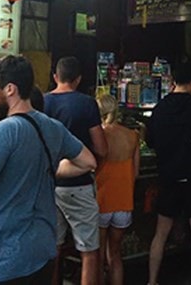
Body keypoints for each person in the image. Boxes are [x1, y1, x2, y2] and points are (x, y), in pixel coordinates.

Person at [0, 55, 97, 285]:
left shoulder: (4, 131)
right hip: (40, 254)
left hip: (1, 260)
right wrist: (46, 169)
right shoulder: (50, 125)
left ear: (10, 89)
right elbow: (88, 161)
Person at [146, 62, 191, 285]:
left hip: (168, 177)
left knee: (160, 234)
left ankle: (151, 281)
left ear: (172, 81)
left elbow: (150, 140)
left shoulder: (160, 108)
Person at [44, 56, 108, 285]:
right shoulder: (86, 103)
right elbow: (101, 148)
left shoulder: (42, 102)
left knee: (53, 248)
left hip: (48, 186)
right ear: (79, 79)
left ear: (55, 77)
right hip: (78, 185)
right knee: (89, 250)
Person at [95, 94, 139, 285]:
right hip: (124, 201)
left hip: (102, 200)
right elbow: (135, 173)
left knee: (98, 254)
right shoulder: (133, 136)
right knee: (115, 253)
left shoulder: (100, 136)